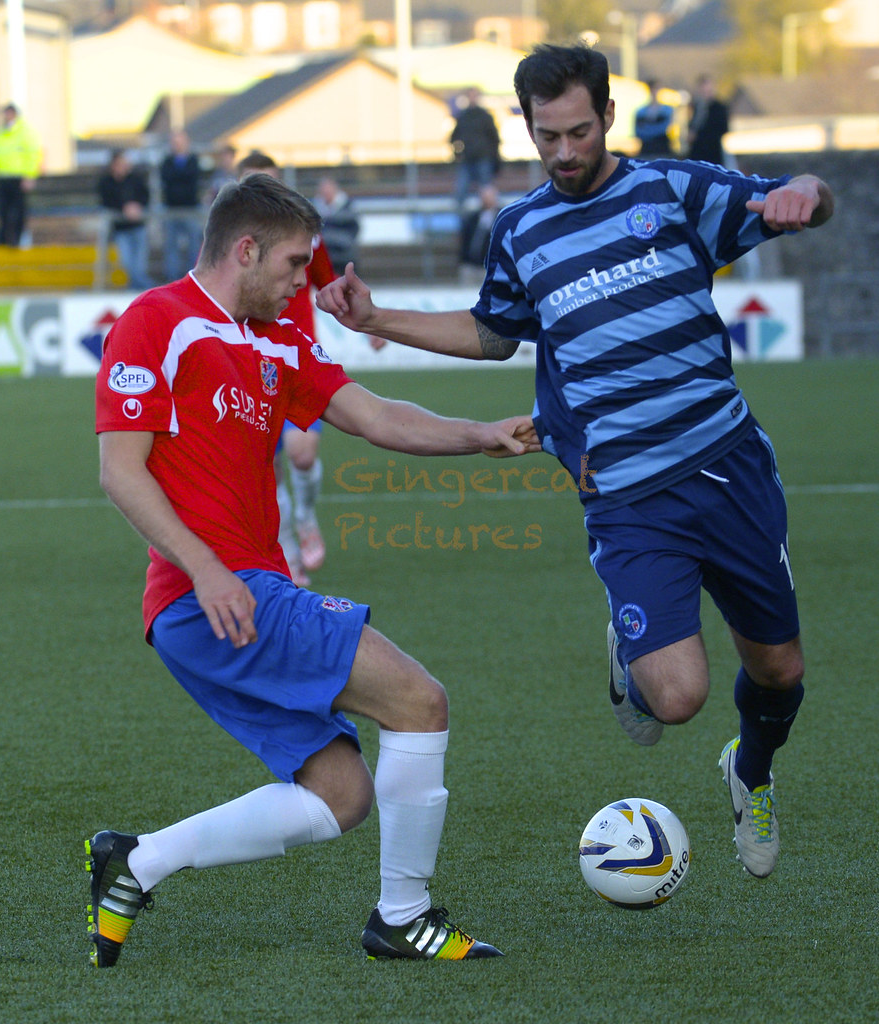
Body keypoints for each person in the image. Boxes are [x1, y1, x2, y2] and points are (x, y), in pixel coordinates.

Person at [316, 42, 835, 882]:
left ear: (608, 117)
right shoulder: (520, 229)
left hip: (727, 468)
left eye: (579, 132)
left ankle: (751, 770)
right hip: (627, 497)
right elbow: (494, 332)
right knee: (676, 698)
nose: (563, 152)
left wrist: (806, 192)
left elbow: (798, 194)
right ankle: (632, 658)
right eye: (546, 136)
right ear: (526, 127)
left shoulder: (673, 190)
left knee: (779, 671)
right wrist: (378, 320)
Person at [88, 172, 539, 969]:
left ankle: (137, 862)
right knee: (419, 700)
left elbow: (375, 415)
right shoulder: (157, 321)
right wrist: (207, 570)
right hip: (209, 595)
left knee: (341, 797)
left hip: (237, 595)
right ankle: (403, 918)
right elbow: (121, 471)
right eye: (296, 263)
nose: (307, 282)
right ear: (246, 249)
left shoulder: (277, 341)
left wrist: (480, 433)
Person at [237, 150, 334, 585]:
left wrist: (366, 322)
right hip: (249, 367)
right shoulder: (230, 243)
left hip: (297, 360)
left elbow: (326, 281)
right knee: (267, 470)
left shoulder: (305, 237)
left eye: (271, 182)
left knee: (302, 453)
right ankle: (288, 552)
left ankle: (306, 514)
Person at [97, 149, 155, 291]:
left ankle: (137, 290)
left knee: (139, 265)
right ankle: (149, 288)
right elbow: (106, 201)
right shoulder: (106, 182)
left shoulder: (136, 179)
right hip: (121, 230)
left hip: (138, 227)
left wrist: (137, 207)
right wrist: (124, 208)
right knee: (127, 263)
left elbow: (145, 196)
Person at [0, 103, 42, 247]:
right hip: (3, 178)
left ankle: (17, 240)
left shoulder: (25, 132)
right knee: (2, 212)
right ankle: (2, 241)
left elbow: (32, 155)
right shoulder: (0, 133)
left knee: (19, 212)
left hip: (18, 178)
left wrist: (30, 176)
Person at [159, 129, 204, 281]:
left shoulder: (193, 161)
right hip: (171, 209)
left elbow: (191, 180)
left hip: (190, 209)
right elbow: (168, 180)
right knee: (171, 246)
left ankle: (194, 278)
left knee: (193, 245)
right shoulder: (167, 162)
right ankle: (172, 278)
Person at [450, 87, 501, 210]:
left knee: (486, 193)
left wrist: (494, 156)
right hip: (468, 159)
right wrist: (457, 153)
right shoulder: (463, 116)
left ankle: (487, 217)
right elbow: (454, 137)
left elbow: (494, 138)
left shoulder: (485, 116)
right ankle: (462, 218)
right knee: (461, 193)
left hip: (483, 158)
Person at [313, 176, 360, 272]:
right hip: (323, 258)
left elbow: (353, 229)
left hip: (344, 256)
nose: (326, 193)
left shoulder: (348, 207)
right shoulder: (315, 209)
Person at [457, 183, 501, 284]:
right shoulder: (473, 218)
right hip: (470, 266)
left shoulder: (501, 217)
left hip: (490, 268)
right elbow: (466, 238)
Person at [686, 73, 730, 165]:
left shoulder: (719, 107)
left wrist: (700, 136)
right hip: (697, 153)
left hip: (712, 152)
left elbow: (723, 128)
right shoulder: (696, 107)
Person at [633, 79, 674, 157]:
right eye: (653, 89)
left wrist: (648, 129)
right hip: (647, 149)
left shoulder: (667, 110)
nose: (655, 92)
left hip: (662, 149)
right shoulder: (641, 111)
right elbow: (638, 132)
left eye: (657, 89)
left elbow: (665, 128)